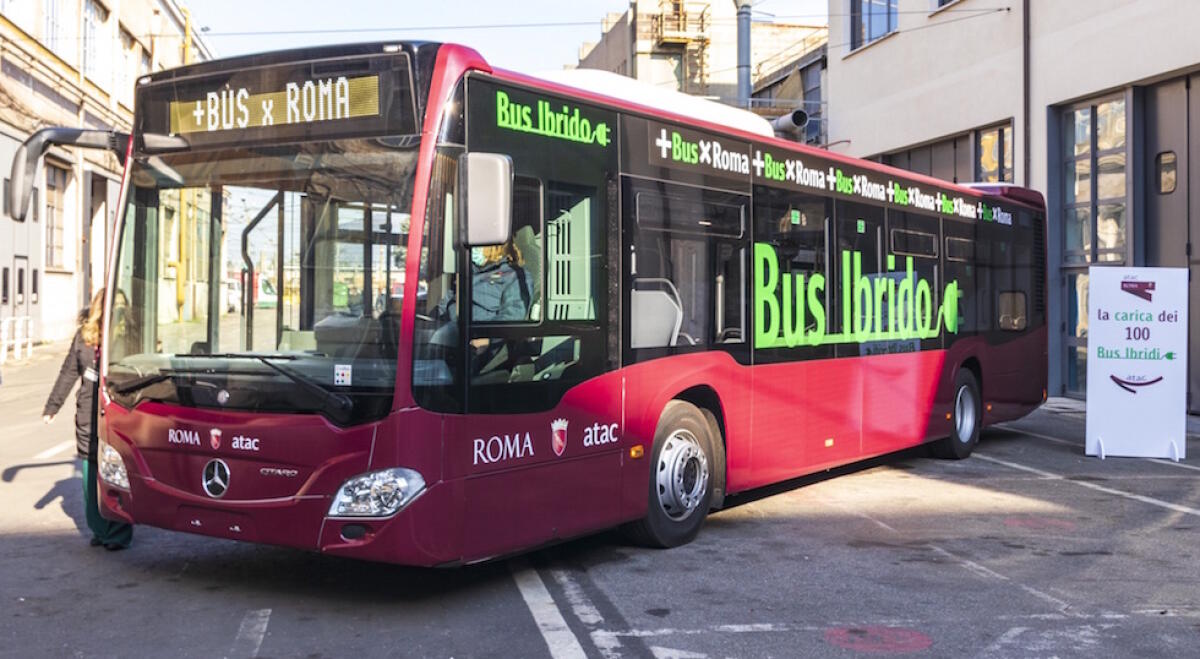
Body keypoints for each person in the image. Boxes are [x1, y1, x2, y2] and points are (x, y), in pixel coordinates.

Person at [43, 289, 133, 551]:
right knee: (90, 475)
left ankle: (117, 532)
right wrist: (52, 406)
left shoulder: (129, 337)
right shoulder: (84, 337)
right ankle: (100, 527)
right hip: (87, 415)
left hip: (117, 413)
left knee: (115, 473)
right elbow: (68, 372)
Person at [470, 241, 530, 322]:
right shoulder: (468, 268)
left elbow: (512, 318)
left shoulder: (516, 276)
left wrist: (480, 333)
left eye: (480, 243)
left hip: (477, 330)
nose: (475, 248)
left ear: (496, 248)